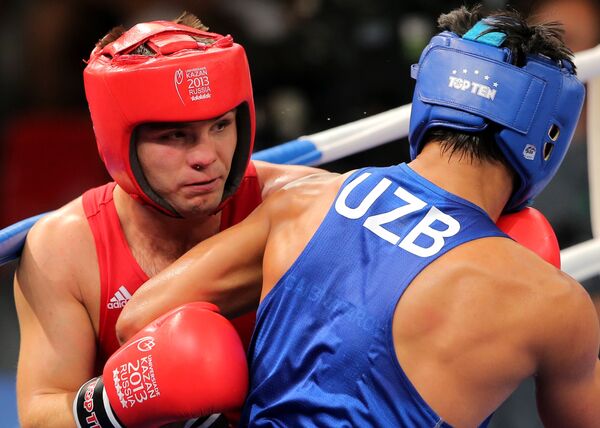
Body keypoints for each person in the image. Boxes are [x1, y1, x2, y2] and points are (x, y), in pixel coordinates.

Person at [117, 6, 600, 427]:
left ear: (429, 96)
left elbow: (140, 317)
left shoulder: (304, 200)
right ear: (547, 139)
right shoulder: (549, 300)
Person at [14, 12, 321, 428]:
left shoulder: (301, 205)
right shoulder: (65, 248)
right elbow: (39, 412)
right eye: (176, 136)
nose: (206, 157)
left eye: (220, 126)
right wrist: (119, 401)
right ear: (119, 140)